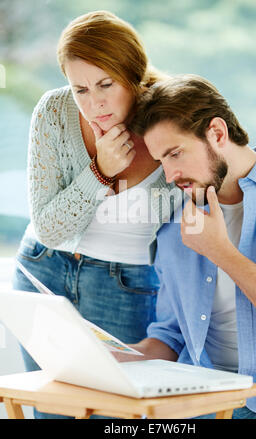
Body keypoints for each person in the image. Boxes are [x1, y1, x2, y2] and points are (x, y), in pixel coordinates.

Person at [12, 11, 183, 419]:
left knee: (117, 415)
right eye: (81, 89)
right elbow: (50, 229)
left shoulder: (173, 116)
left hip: (125, 287)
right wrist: (98, 173)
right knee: (51, 411)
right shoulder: (54, 113)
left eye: (106, 84)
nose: (94, 103)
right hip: (43, 274)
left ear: (134, 74)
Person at [121, 74, 256, 419]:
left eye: (175, 153)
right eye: (161, 161)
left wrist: (220, 252)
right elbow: (172, 336)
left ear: (217, 133)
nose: (170, 175)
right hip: (203, 394)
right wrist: (108, 357)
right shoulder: (175, 225)